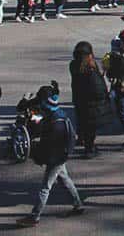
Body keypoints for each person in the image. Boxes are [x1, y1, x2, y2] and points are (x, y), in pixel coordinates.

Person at [19, 85, 84, 226]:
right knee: (64, 179)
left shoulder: (55, 123)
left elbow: (48, 144)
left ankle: (34, 216)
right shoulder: (59, 115)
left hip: (56, 158)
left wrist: (39, 155)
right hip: (61, 155)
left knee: (45, 188)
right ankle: (78, 204)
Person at [69, 42, 111, 157]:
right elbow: (98, 88)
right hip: (91, 103)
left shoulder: (74, 65)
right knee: (90, 128)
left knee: (82, 122)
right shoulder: (90, 69)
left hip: (79, 99)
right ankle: (89, 149)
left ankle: (82, 140)